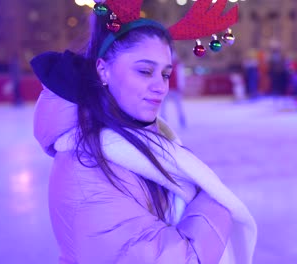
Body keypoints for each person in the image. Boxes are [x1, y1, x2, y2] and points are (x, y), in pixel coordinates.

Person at [30, 0, 256, 263]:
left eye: (164, 74)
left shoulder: (143, 141)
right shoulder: (86, 166)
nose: (160, 87)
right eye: (145, 71)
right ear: (104, 70)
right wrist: (215, 199)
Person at [160, 51, 187, 128]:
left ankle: (181, 119)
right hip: (166, 88)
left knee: (178, 105)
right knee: (163, 106)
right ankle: (163, 121)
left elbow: (180, 76)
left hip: (174, 89)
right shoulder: (164, 65)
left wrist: (181, 86)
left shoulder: (177, 65)